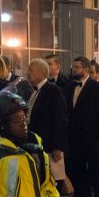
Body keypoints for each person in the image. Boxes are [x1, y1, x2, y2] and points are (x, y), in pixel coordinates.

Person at [64, 56, 99, 197]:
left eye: (76, 67)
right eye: (73, 66)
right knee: (78, 173)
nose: (73, 69)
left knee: (96, 172)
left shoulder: (97, 88)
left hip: (92, 139)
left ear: (85, 70)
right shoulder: (69, 87)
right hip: (74, 139)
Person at [26, 58, 68, 186]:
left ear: (42, 72)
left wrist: (57, 147)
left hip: (49, 147)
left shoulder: (53, 91)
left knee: (51, 183)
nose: (27, 73)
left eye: (31, 70)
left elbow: (59, 119)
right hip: (38, 145)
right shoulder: (36, 91)